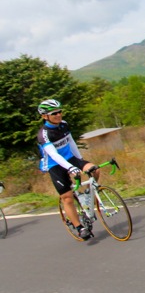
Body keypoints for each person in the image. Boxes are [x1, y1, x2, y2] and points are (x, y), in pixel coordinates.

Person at [36, 99, 99, 240]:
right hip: (55, 165)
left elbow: (71, 142)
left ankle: (89, 196)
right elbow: (53, 154)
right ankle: (79, 227)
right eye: (54, 113)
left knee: (95, 170)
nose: (58, 115)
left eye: (60, 112)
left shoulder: (64, 125)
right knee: (67, 198)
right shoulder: (44, 134)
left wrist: (80, 160)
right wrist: (70, 168)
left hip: (70, 158)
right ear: (45, 116)